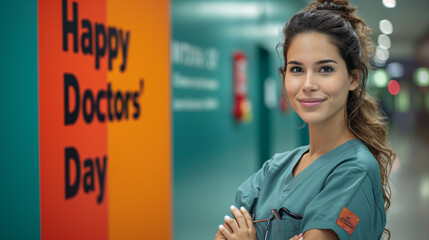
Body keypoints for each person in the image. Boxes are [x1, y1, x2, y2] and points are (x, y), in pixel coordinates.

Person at [214, 0, 396, 239]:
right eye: (297, 69)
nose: (308, 85)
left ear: (353, 78)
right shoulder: (275, 168)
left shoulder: (354, 171)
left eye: (325, 69)